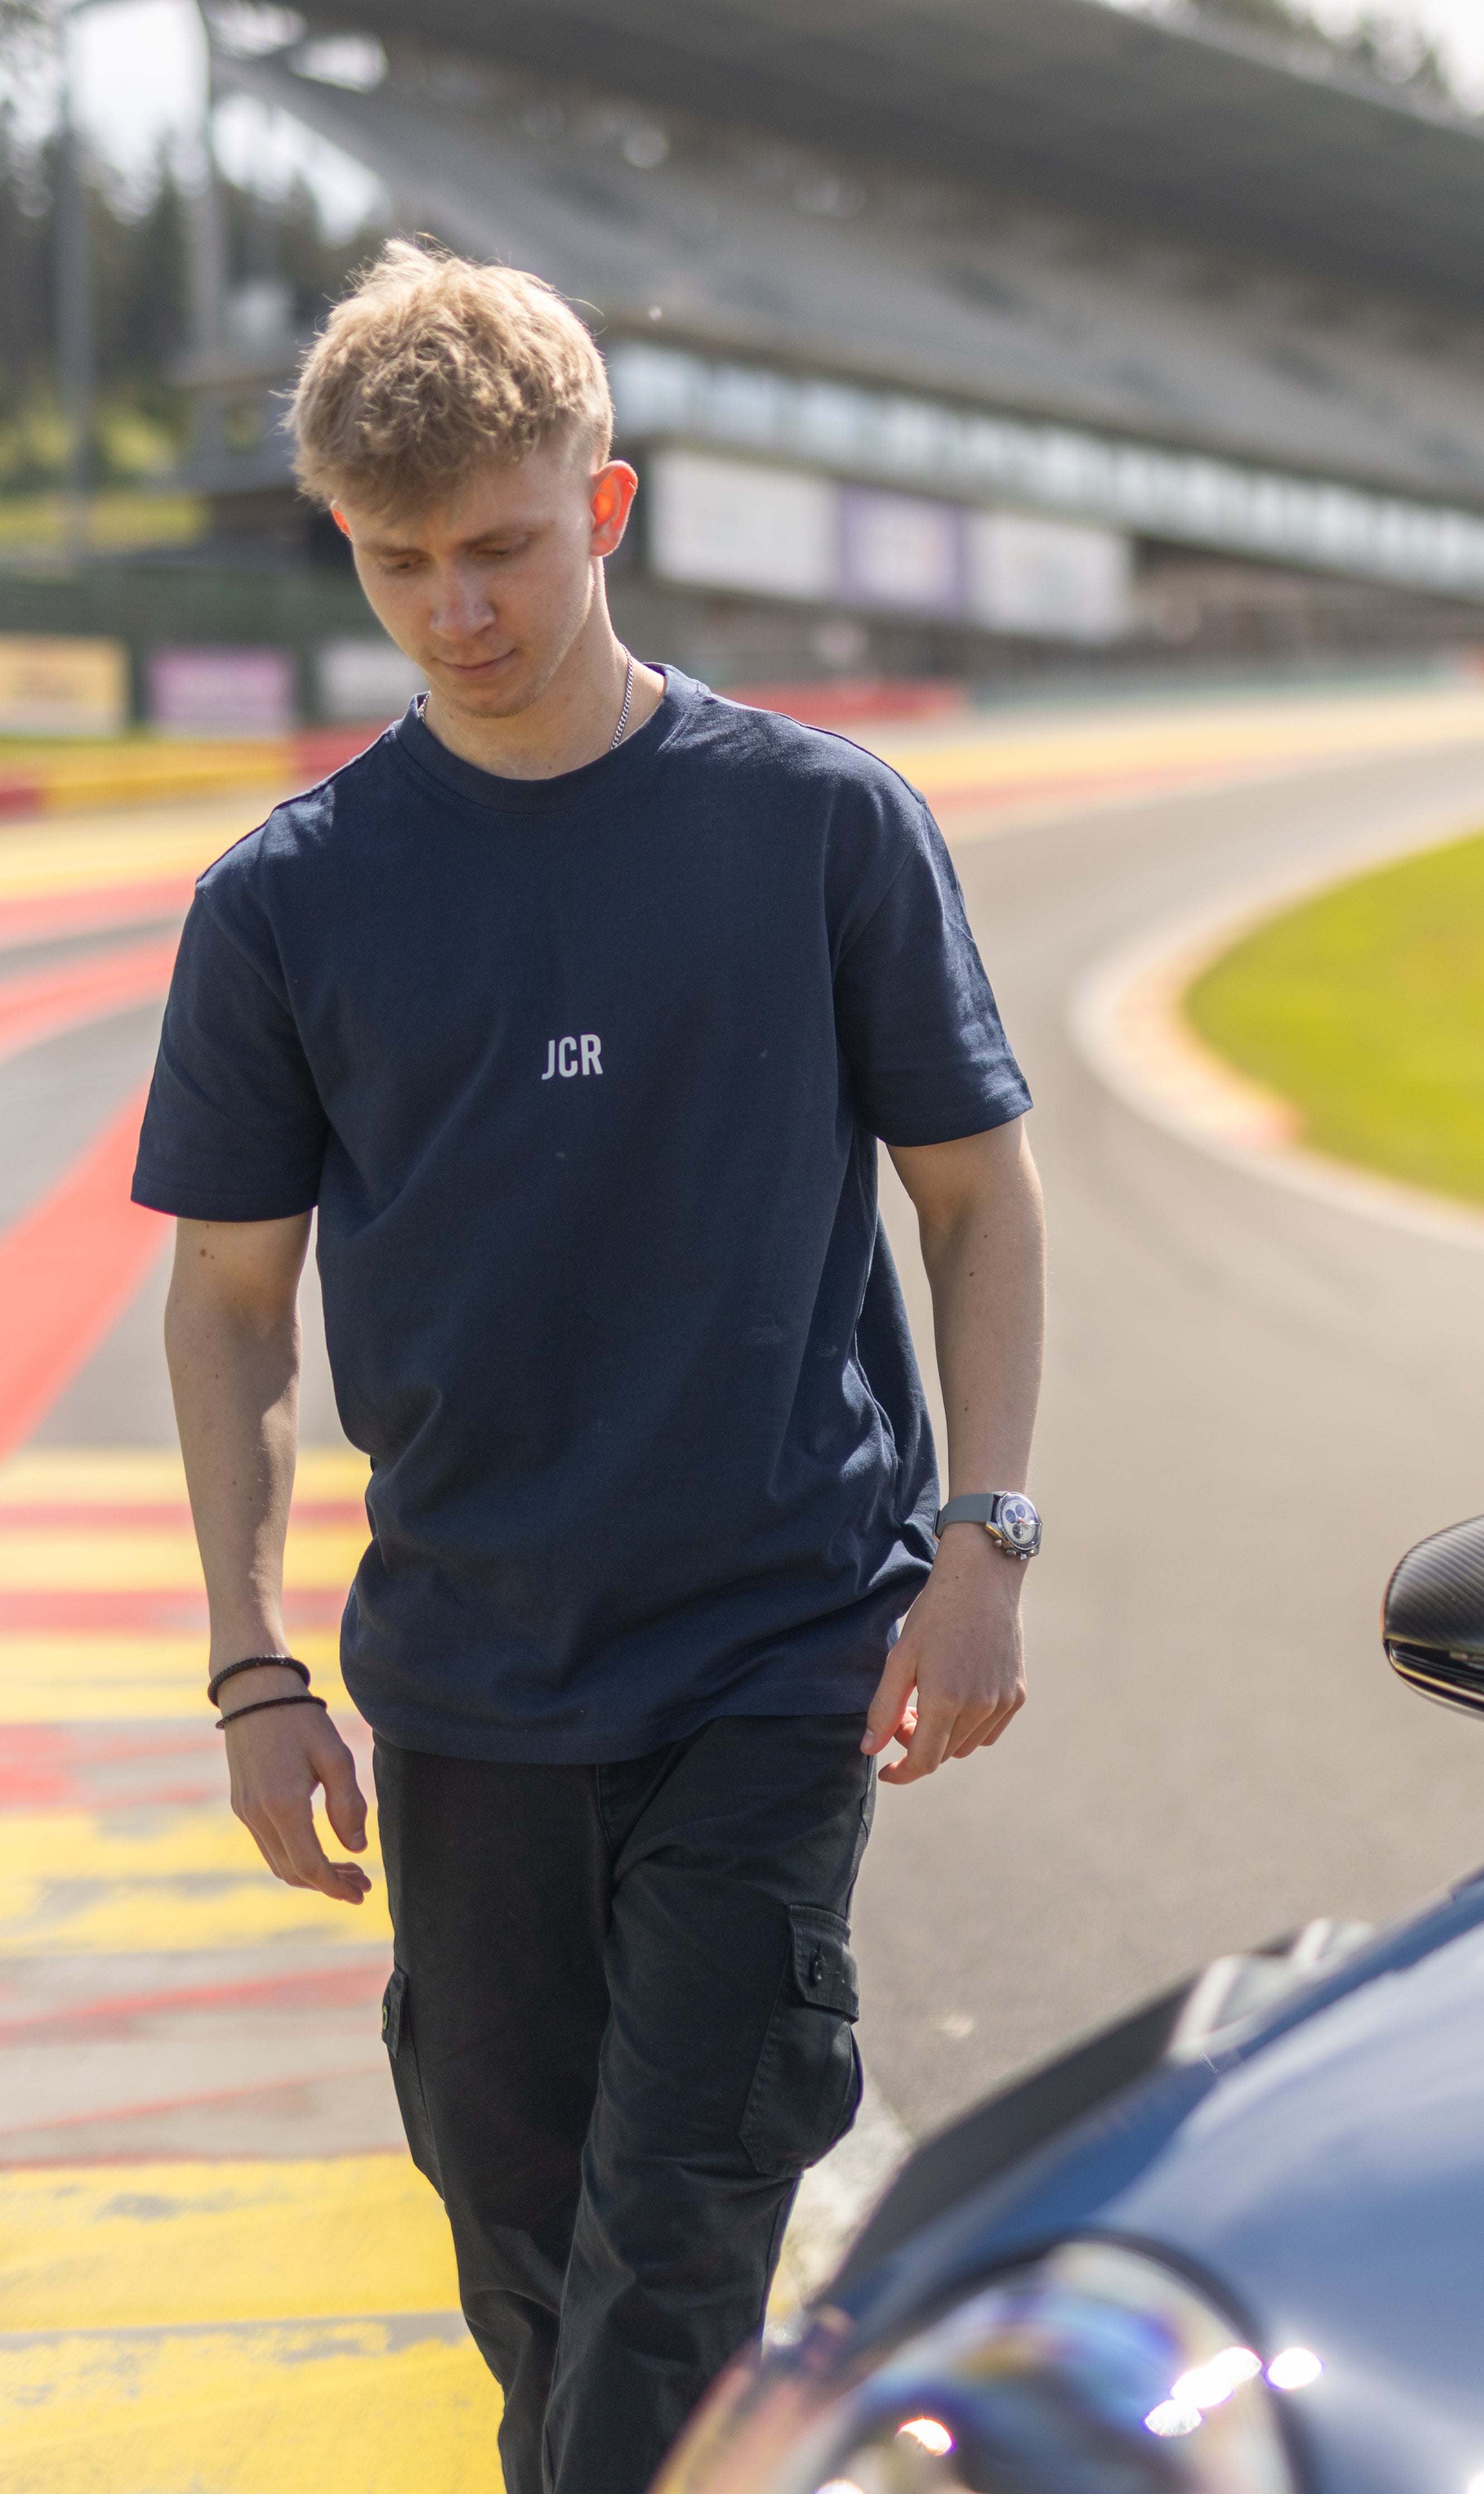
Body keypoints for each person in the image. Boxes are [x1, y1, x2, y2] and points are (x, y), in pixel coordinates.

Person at [132, 240, 1045, 2494]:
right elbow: (231, 1302)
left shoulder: (823, 827)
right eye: (402, 562)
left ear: (606, 508)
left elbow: (976, 1203)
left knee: (680, 2242)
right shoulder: (289, 899)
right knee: (531, 2267)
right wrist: (252, 1667)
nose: (459, 607)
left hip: (770, 1647)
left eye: (504, 548)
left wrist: (985, 1534)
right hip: (460, 1684)